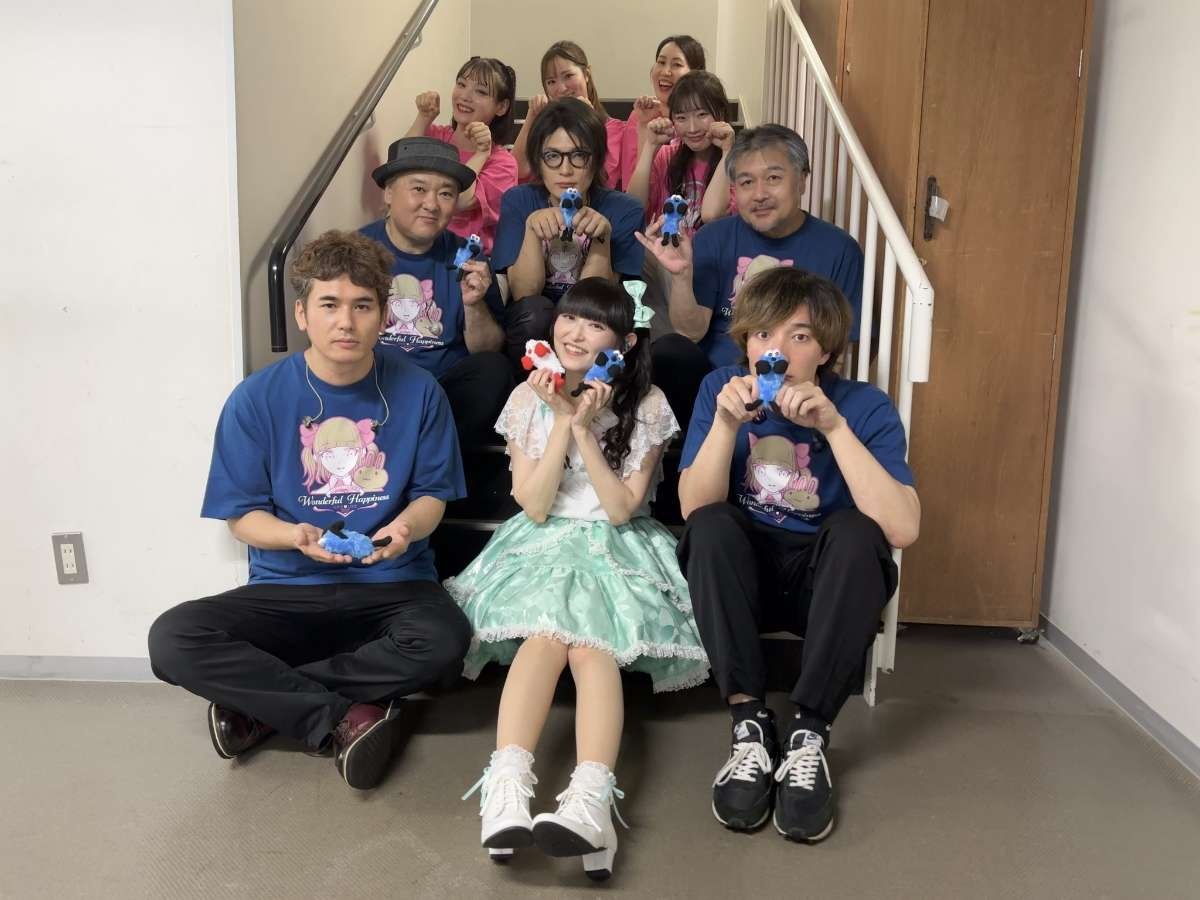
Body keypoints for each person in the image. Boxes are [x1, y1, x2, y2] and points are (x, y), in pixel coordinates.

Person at [147, 231, 471, 791]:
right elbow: (242, 516)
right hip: (287, 589)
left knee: (445, 642)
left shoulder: (420, 391)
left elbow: (431, 497)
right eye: (329, 304)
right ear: (302, 313)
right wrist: (295, 537)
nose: (345, 322)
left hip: (393, 585)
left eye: (362, 305)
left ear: (383, 314)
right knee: (172, 638)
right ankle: (342, 716)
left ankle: (262, 706)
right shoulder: (255, 398)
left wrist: (403, 529)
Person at [446, 278, 708, 879]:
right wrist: (563, 417)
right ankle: (506, 789)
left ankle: (590, 802)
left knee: (592, 647)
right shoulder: (526, 396)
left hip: (616, 542)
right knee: (544, 637)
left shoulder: (647, 403)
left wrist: (587, 429)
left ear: (625, 341)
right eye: (569, 318)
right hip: (543, 540)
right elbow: (535, 506)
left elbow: (620, 510)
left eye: (595, 325)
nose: (574, 332)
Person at [675, 266, 919, 843]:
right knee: (710, 526)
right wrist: (725, 426)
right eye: (763, 334)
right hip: (749, 581)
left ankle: (810, 733)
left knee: (859, 533)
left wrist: (834, 429)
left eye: (799, 336)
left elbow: (903, 528)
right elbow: (692, 508)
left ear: (825, 351)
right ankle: (749, 727)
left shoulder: (863, 406)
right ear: (746, 343)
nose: (776, 351)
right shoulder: (721, 389)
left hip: (824, 587)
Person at [637, 124, 864, 430]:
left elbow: (839, 351)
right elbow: (690, 331)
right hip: (716, 386)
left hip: (794, 388)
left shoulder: (839, 249)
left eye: (773, 178)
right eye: (746, 182)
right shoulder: (714, 237)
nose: (759, 194)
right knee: (670, 351)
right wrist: (681, 275)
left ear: (802, 180)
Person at [361, 136, 513, 447]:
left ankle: (429, 457)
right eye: (419, 189)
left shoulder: (468, 257)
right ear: (388, 192)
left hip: (444, 395)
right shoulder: (357, 253)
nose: (432, 204)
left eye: (446, 193)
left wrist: (474, 304)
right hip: (377, 384)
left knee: (494, 371)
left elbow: (489, 348)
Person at [492, 98, 645, 368]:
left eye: (579, 155)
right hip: (533, 328)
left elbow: (594, 305)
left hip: (593, 329)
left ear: (596, 159)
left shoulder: (625, 210)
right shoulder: (519, 201)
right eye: (552, 156)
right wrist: (531, 230)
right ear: (538, 160)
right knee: (535, 312)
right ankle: (531, 388)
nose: (565, 170)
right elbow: (524, 294)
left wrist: (601, 240)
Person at [405, 55, 518, 254]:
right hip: (418, 248)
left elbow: (459, 201)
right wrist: (423, 118)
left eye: (481, 92)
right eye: (461, 84)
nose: (465, 96)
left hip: (465, 259)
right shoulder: (436, 136)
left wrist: (481, 154)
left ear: (501, 107)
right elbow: (400, 175)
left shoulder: (503, 164)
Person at [625, 70, 736, 230]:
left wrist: (727, 152)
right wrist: (650, 146)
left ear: (721, 113)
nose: (692, 128)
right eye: (681, 118)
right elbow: (632, 207)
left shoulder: (738, 165)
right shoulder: (668, 156)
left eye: (702, 114)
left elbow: (711, 215)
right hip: (662, 245)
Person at [512, 41, 625, 189]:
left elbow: (601, 182)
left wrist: (589, 124)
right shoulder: (546, 131)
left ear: (587, 74)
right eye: (551, 81)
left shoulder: (615, 131)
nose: (561, 88)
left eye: (568, 76)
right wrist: (531, 117)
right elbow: (517, 171)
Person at [620, 35, 709, 202]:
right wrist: (644, 127)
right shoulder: (639, 116)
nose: (665, 72)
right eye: (661, 62)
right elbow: (633, 197)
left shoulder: (704, 123)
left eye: (676, 64)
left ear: (696, 74)